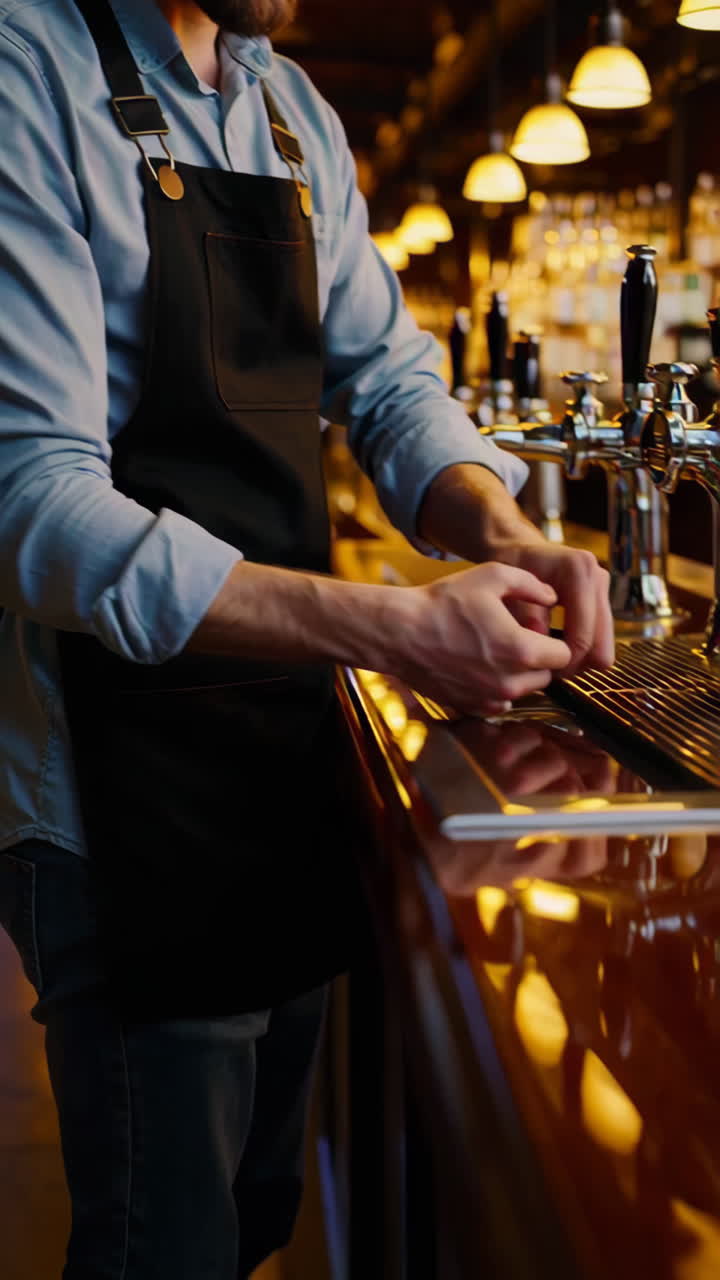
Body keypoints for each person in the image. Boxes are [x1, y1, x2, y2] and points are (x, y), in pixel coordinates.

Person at [0, 0, 614, 1275]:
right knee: (162, 1246)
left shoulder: (290, 110)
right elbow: (36, 508)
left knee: (258, 1218)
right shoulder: (27, 72)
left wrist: (500, 527)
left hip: (274, 773)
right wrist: (385, 625)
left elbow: (389, 385)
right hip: (113, 799)